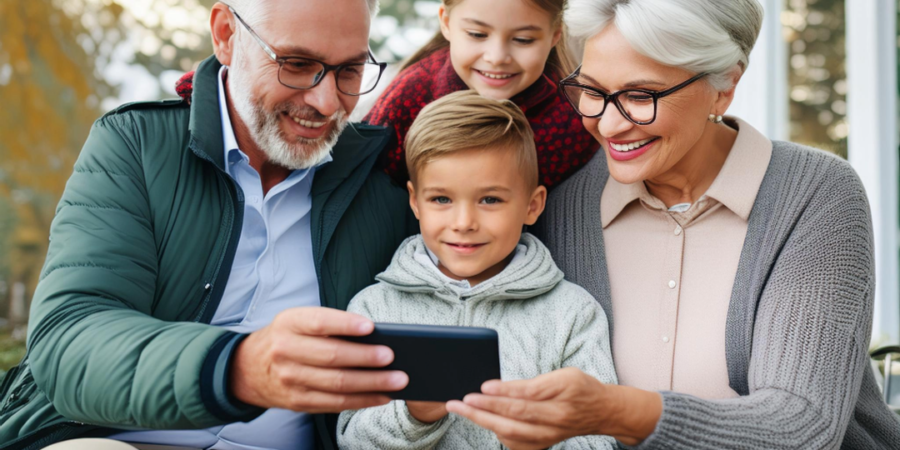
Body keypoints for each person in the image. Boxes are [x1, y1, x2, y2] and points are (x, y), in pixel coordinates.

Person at [444, 0, 900, 449]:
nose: (608, 124)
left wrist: (615, 412)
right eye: (592, 91)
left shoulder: (815, 194)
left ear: (725, 86)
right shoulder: (561, 206)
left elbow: (802, 426)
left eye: (641, 96)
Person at [0, 0, 421, 449]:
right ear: (225, 35)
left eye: (350, 72)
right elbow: (70, 339)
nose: (326, 101)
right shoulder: (137, 147)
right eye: (297, 65)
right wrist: (237, 369)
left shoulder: (387, 191)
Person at [336, 90, 617, 450]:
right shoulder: (374, 311)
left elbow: (600, 438)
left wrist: (531, 436)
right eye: (442, 199)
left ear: (533, 206)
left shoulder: (572, 314)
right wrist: (416, 414)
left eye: (490, 200)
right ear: (414, 202)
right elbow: (351, 438)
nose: (464, 222)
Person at [364, 0, 598, 189]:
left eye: (523, 40)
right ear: (446, 22)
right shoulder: (407, 100)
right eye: (477, 34)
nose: (496, 57)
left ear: (555, 34)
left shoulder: (574, 118)